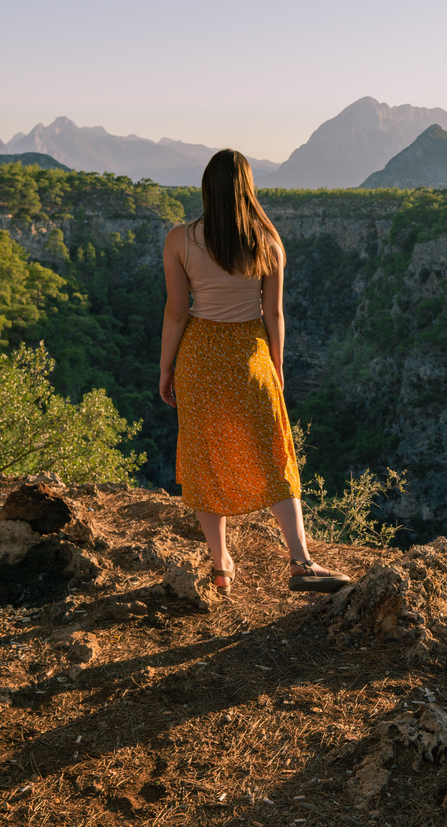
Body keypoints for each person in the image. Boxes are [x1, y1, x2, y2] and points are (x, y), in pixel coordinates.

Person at [159, 149, 349, 597]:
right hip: (250, 356)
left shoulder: (179, 239)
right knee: (275, 454)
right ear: (248, 188)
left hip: (200, 357)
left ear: (207, 188)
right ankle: (300, 560)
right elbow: (275, 313)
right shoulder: (268, 241)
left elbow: (175, 312)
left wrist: (166, 368)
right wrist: (277, 366)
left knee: (206, 457)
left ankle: (220, 564)